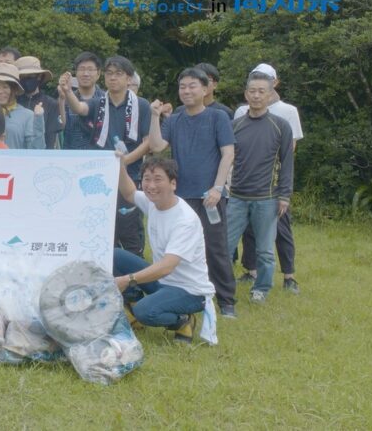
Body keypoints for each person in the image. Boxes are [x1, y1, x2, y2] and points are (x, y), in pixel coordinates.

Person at [148, 68, 238, 318]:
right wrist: (155, 117)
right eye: (182, 87)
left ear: (206, 88)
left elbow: (228, 153)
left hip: (209, 197)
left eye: (192, 86)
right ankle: (183, 294)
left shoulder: (218, 117)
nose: (186, 91)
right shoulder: (175, 119)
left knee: (216, 248)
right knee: (176, 250)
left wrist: (218, 188)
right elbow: (156, 146)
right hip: (181, 199)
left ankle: (226, 300)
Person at [112, 156, 217, 344]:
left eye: (158, 179)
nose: (151, 185)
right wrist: (120, 164)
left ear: (173, 183)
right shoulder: (153, 201)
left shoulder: (184, 220)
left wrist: (128, 280)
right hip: (163, 281)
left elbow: (167, 266)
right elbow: (128, 192)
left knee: (145, 311)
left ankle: (182, 320)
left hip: (189, 290)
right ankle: (134, 302)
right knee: (115, 256)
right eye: (146, 179)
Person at [59, 55, 151, 257]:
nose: (113, 78)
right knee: (101, 229)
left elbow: (148, 142)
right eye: (109, 74)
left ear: (129, 79)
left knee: (129, 230)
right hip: (101, 178)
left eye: (119, 74)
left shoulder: (141, 105)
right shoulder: (99, 103)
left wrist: (126, 161)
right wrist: (67, 92)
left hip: (129, 175)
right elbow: (80, 109)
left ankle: (132, 286)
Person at [234, 63, 304, 294]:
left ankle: (262, 288)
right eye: (252, 91)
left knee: (265, 250)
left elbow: (287, 161)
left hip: (268, 196)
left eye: (261, 91)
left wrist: (284, 195)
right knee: (224, 246)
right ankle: (221, 287)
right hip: (235, 196)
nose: (256, 95)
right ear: (246, 94)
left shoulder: (281, 125)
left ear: (270, 92)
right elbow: (226, 158)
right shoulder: (236, 124)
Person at [15, 56, 62, 149]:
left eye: (30, 77)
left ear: (39, 77)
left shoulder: (51, 104)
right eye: (22, 77)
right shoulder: (13, 102)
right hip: (15, 157)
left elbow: (50, 139)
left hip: (41, 157)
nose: (26, 80)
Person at [61, 52, 105, 150]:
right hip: (70, 157)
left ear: (98, 73)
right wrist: (61, 99)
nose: (85, 74)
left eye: (90, 69)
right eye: (81, 69)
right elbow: (60, 128)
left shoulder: (106, 100)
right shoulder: (65, 98)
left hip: (98, 159)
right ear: (76, 73)